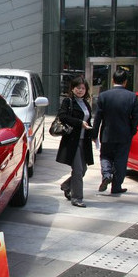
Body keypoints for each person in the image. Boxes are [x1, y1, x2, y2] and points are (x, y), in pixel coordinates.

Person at [92, 69, 138, 195]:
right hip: (124, 134)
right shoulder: (132, 96)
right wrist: (132, 131)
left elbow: (98, 117)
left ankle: (107, 174)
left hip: (107, 134)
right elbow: (136, 117)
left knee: (105, 156)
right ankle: (116, 186)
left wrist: (94, 133)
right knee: (120, 160)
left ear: (112, 80)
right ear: (125, 82)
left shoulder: (104, 96)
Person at [55, 76, 94, 208]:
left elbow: (88, 120)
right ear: (72, 88)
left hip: (84, 141)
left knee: (83, 169)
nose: (80, 90)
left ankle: (66, 185)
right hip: (72, 140)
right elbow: (62, 116)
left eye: (83, 88)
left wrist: (93, 133)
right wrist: (79, 123)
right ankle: (77, 198)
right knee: (77, 170)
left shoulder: (86, 103)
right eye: (78, 87)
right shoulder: (68, 101)